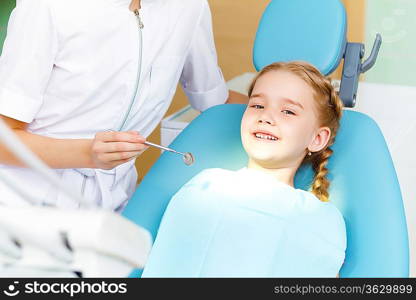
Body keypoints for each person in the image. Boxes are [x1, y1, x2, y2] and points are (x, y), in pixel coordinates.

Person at [0, 0, 247, 211]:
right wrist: (88, 153)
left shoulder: (188, 7)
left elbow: (216, 100)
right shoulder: (48, 6)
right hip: (26, 204)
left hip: (117, 205)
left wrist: (279, 105)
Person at [141, 61, 347, 277]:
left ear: (317, 138)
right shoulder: (205, 186)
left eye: (288, 111)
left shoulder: (321, 219)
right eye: (257, 105)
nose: (266, 117)